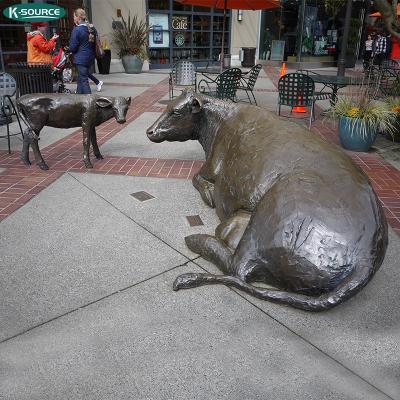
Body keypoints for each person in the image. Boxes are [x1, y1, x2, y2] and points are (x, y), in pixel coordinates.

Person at [69, 8, 103, 94]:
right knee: (81, 80)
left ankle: (90, 102)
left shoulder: (76, 30)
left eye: (74, 17)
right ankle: (78, 99)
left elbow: (73, 48)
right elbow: (95, 42)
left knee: (84, 81)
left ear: (78, 18)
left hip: (81, 59)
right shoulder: (92, 28)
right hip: (90, 58)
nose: (73, 19)